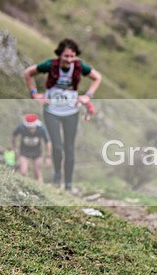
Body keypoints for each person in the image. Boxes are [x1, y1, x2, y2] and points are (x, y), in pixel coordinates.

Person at [22, 38, 101, 191]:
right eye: (66, 56)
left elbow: (97, 78)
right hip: (52, 110)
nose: (69, 60)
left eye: (72, 56)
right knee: (57, 147)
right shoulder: (50, 65)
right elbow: (28, 73)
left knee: (69, 148)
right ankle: (57, 177)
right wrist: (34, 94)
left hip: (71, 111)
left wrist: (88, 96)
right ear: (60, 55)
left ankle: (69, 184)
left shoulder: (79, 66)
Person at [12, 113, 52, 183]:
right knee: (23, 172)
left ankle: (40, 188)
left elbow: (48, 142)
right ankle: (24, 185)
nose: (31, 130)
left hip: (37, 152)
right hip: (24, 151)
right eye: (29, 128)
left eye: (33, 128)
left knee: (37, 173)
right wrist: (14, 147)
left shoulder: (41, 129)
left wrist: (48, 156)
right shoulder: (21, 127)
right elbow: (14, 135)